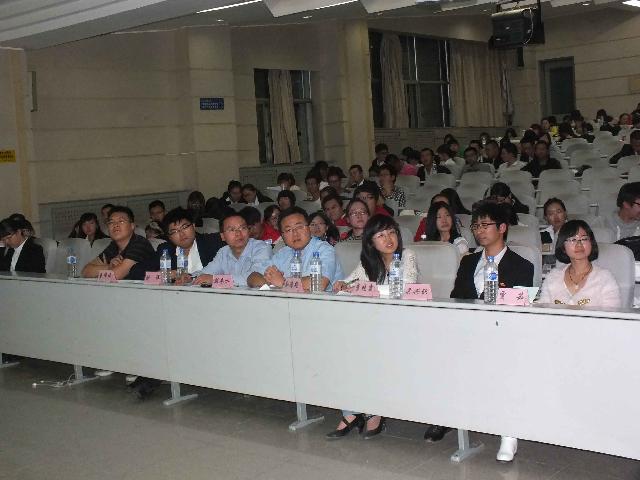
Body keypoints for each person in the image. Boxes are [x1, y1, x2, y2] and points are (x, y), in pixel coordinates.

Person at [447, 202, 534, 459]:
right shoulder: (468, 262)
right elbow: (456, 298)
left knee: (505, 367)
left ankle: (508, 432)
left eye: (485, 225)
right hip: (467, 332)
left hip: (503, 335)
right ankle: (452, 419)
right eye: (476, 226)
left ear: (502, 227)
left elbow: (520, 308)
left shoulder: (522, 265)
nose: (479, 230)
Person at [328, 215, 418, 440]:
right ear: (371, 241)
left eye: (392, 232)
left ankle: (374, 410)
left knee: (369, 354)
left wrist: (366, 289)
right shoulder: (368, 262)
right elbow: (349, 282)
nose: (389, 239)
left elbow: (405, 288)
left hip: (400, 326)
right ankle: (351, 411)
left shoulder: (407, 255)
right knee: (346, 352)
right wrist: (342, 285)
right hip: (374, 325)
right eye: (381, 235)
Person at [128, 208, 225, 400]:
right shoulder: (165, 250)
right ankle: (153, 374)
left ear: (193, 226)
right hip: (179, 308)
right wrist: (167, 274)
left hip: (213, 306)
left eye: (185, 227)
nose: (181, 234)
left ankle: (151, 378)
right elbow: (137, 272)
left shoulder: (212, 242)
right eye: (174, 231)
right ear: (168, 236)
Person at [247, 207, 344, 291]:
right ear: (282, 236)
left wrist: (283, 282)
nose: (295, 234)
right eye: (288, 230)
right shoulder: (283, 253)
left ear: (309, 228)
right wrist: (271, 281)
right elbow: (252, 277)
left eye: (299, 227)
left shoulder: (324, 249)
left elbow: (320, 283)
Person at [538, 220, 620, 307]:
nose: (579, 244)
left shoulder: (605, 278)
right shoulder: (552, 277)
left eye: (584, 239)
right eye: (573, 239)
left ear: (591, 243)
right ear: (563, 247)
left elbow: (612, 313)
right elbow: (543, 310)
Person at [193, 211, 272, 288]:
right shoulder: (223, 252)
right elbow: (206, 273)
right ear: (223, 236)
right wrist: (190, 277)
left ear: (248, 231)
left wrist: (216, 280)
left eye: (243, 228)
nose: (238, 233)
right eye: (232, 230)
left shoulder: (262, 248)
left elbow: (254, 279)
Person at [82, 206, 155, 281]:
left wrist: (103, 271)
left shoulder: (140, 243)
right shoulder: (114, 245)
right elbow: (85, 271)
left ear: (132, 226)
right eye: (111, 222)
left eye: (121, 221)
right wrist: (109, 267)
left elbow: (116, 275)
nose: (115, 225)